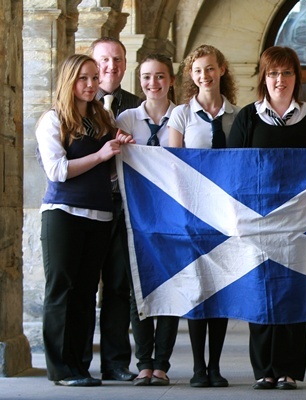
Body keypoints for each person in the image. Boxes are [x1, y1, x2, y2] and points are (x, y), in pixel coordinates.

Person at [36, 54, 134, 386]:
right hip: (63, 214)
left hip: (100, 215)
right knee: (62, 290)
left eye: (94, 78)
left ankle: (79, 366)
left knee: (85, 294)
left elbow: (104, 170)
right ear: (69, 81)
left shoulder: (102, 120)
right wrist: (101, 154)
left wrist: (118, 148)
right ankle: (61, 370)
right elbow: (58, 171)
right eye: (83, 79)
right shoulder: (53, 120)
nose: (91, 85)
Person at [228, 46, 306, 391]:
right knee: (260, 291)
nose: (280, 80)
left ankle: (290, 369)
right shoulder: (249, 117)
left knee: (294, 291)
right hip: (258, 219)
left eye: (287, 73)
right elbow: (232, 167)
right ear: (264, 77)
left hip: (298, 220)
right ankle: (265, 368)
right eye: (273, 73)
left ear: (297, 77)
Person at [167, 44, 240, 388]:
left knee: (221, 286)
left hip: (226, 214)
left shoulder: (238, 115)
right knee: (198, 287)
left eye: (210, 68)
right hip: (195, 213)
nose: (204, 76)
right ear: (191, 76)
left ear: (222, 70)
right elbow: (172, 165)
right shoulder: (181, 115)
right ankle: (198, 367)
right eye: (197, 71)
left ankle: (216, 365)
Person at [115, 54, 180, 387]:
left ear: (170, 79)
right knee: (137, 288)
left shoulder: (181, 117)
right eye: (146, 77)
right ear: (139, 81)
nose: (153, 84)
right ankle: (143, 362)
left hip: (172, 215)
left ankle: (162, 363)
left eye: (160, 77)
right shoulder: (127, 119)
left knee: (170, 285)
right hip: (137, 214)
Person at [89, 36, 143, 383]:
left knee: (119, 285)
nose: (112, 66)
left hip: (124, 206)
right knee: (81, 286)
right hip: (87, 205)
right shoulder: (77, 101)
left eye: (118, 60)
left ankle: (116, 362)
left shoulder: (136, 107)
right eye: (105, 60)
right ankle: (76, 360)